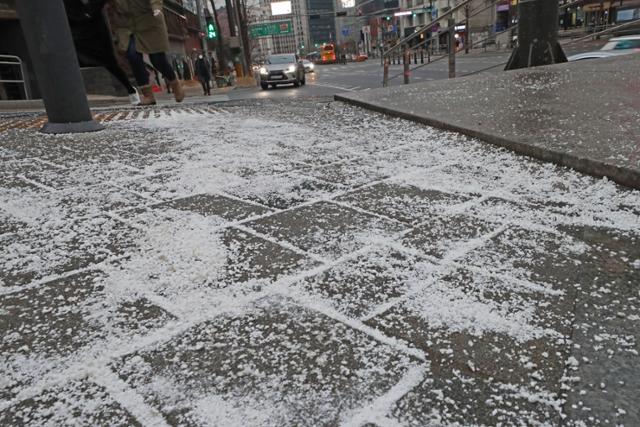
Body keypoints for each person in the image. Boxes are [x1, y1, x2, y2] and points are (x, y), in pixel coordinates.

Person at [64, 0, 139, 104]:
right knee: (72, 61)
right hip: (75, 29)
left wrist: (89, 11)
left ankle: (130, 89)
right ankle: (74, 97)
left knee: (109, 62)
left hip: (95, 28)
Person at [112, 0, 184, 105]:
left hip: (150, 24)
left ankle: (175, 83)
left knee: (157, 60)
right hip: (128, 27)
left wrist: (156, 8)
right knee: (133, 56)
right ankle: (148, 95)